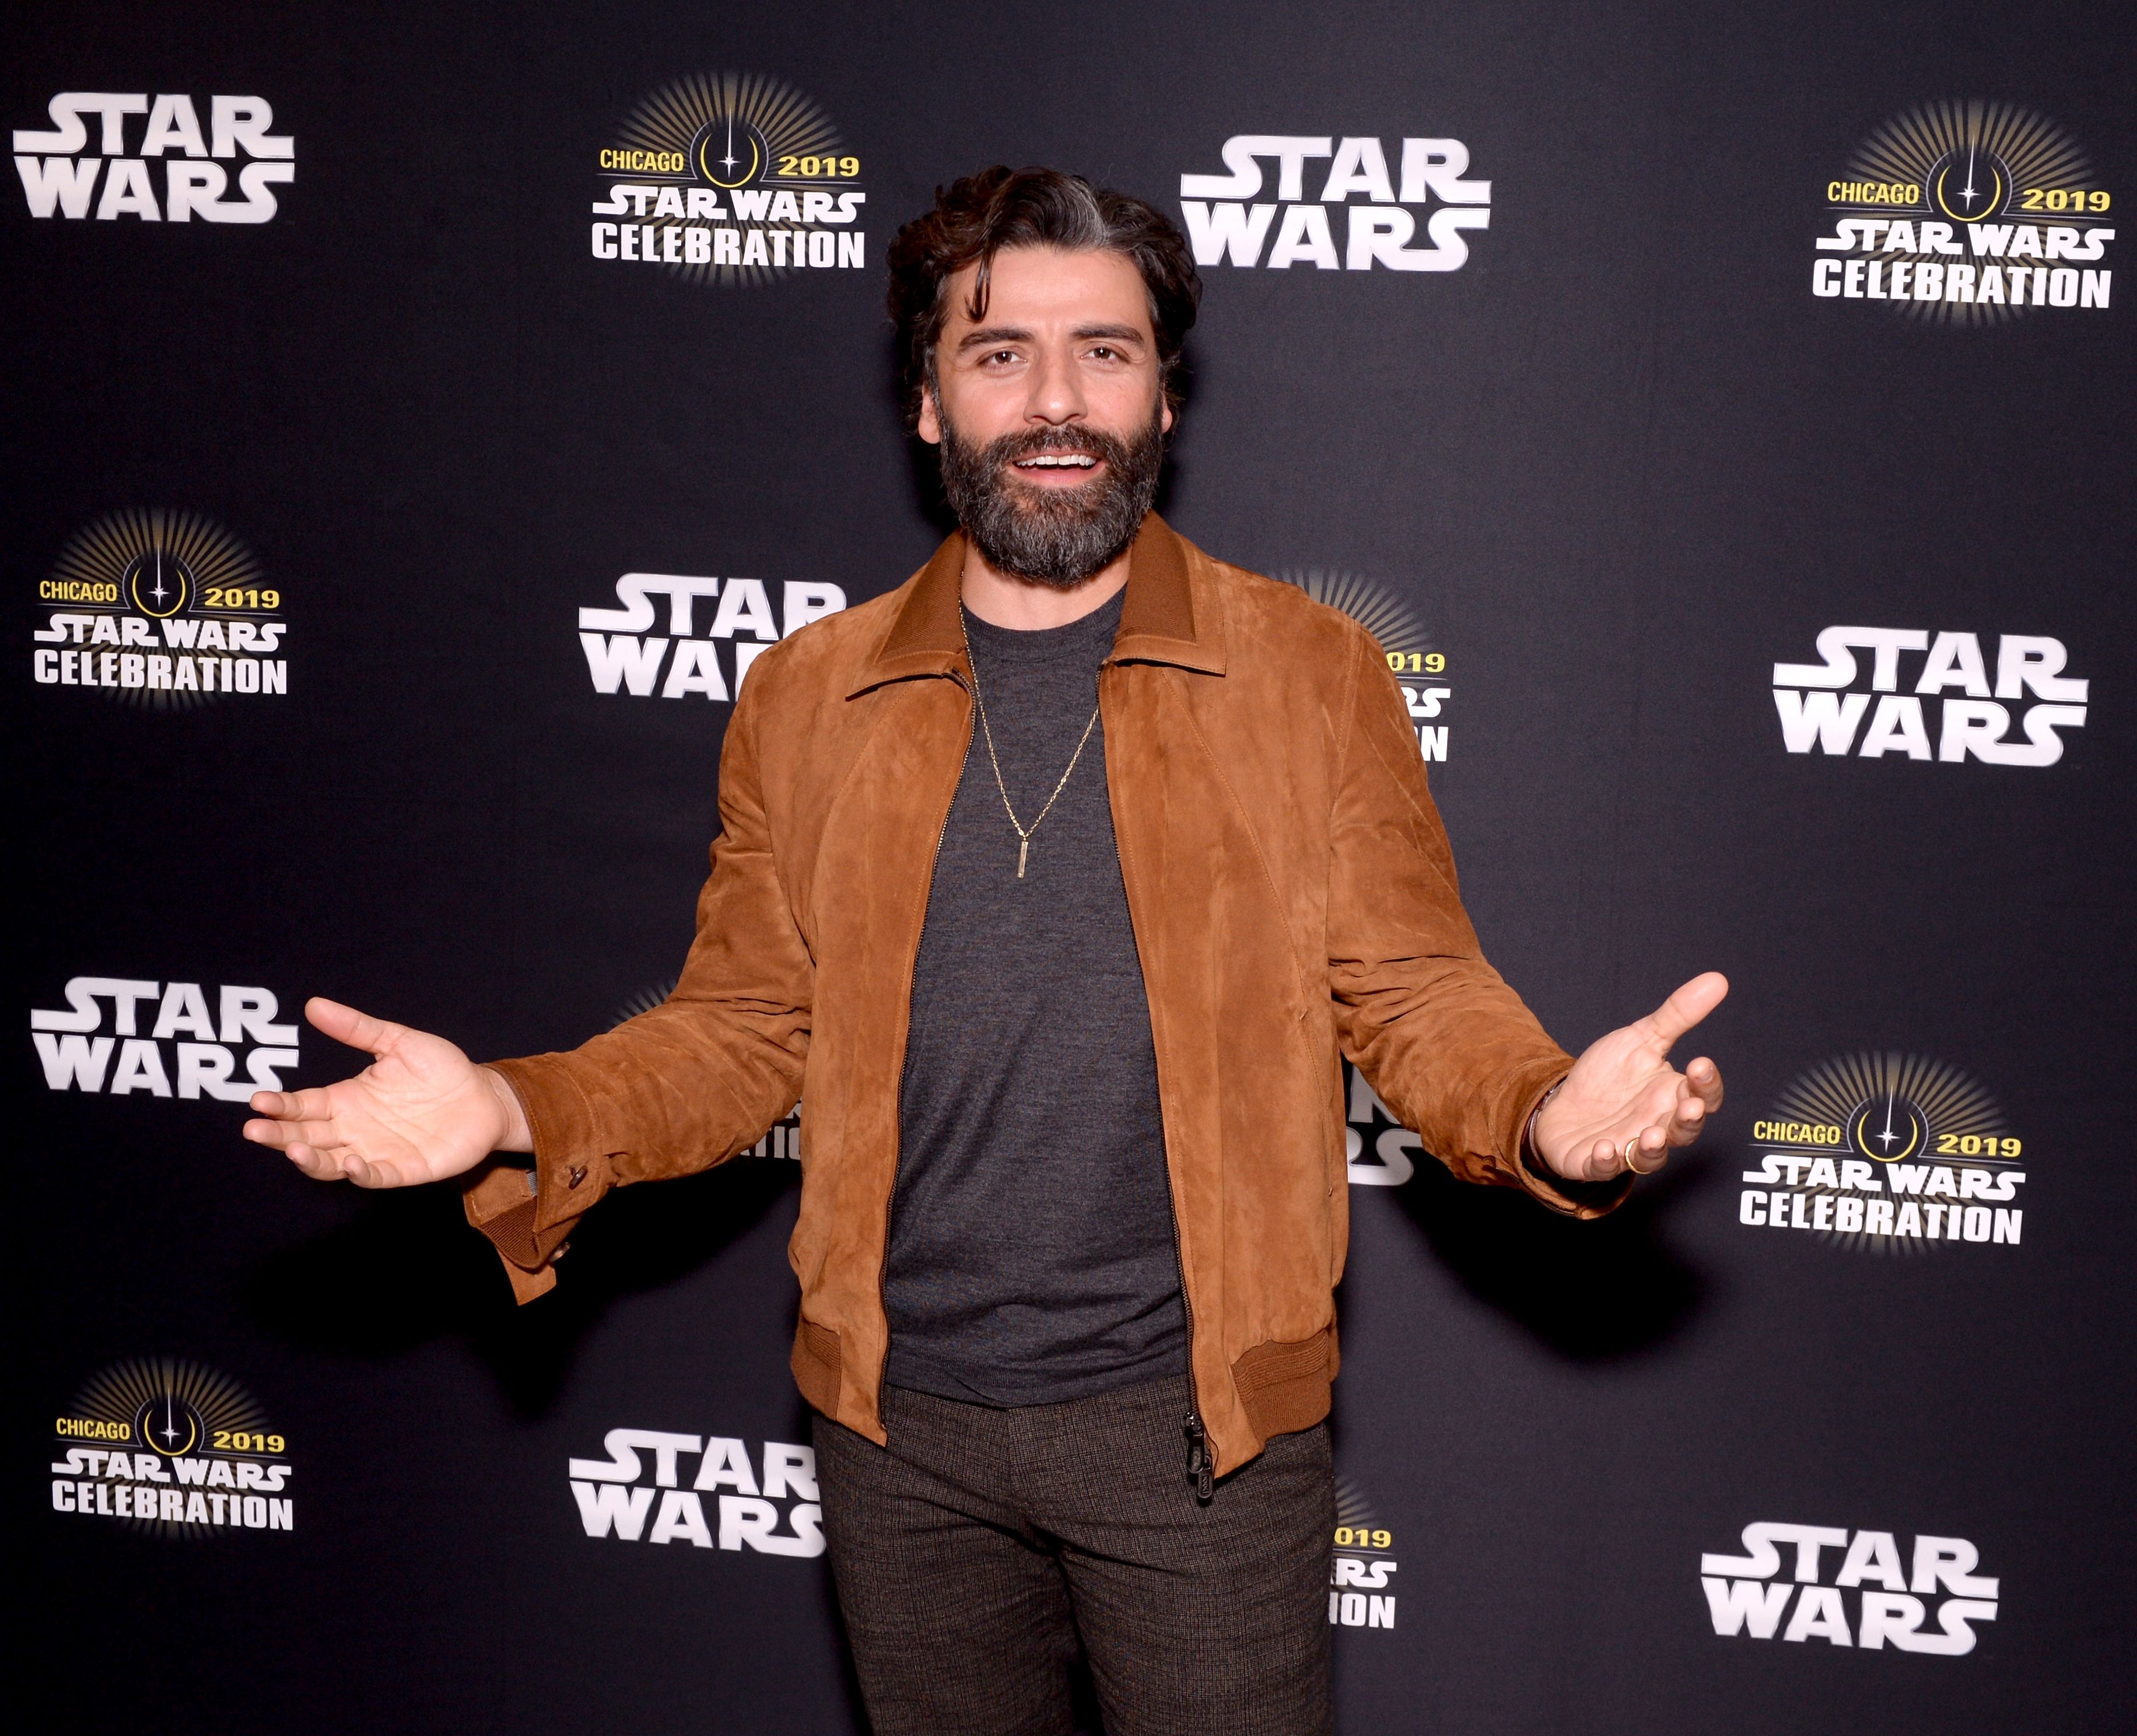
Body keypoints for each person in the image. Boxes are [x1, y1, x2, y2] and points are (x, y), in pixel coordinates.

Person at [245, 166, 1726, 1736]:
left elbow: (1413, 988)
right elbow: (744, 1027)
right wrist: (515, 1107)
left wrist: (1546, 1116)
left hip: (1202, 1438)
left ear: (1165, 393)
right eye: (999, 352)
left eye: (1107, 349)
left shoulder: (1306, 674)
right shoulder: (807, 697)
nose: (1056, 401)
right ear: (929, 407)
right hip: (898, 1438)